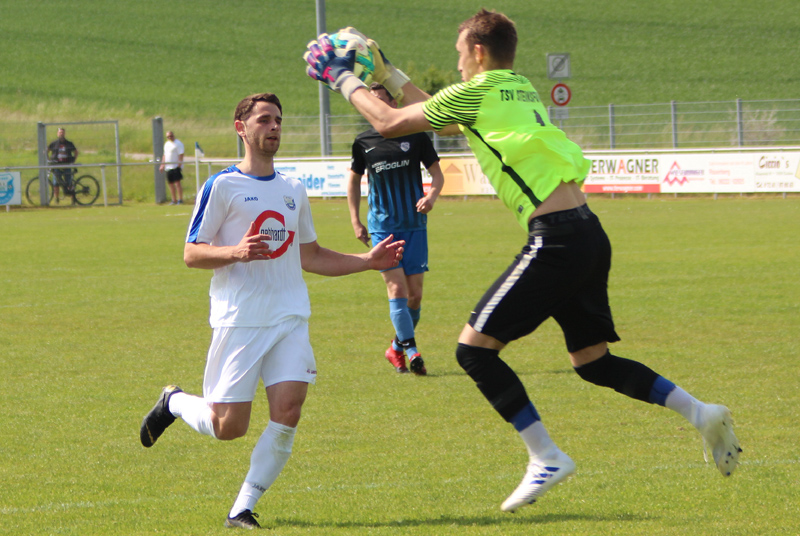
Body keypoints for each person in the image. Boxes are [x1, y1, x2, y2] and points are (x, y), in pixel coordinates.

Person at [305, 10, 741, 512]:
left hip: (556, 239)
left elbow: (388, 121)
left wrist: (341, 76)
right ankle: (701, 413)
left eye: (459, 52)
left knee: (473, 351)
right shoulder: (516, 86)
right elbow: (440, 112)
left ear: (478, 52)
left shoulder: (478, 90)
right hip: (587, 232)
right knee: (593, 362)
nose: (457, 62)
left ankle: (546, 455)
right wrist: (385, 72)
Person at [140, 93, 404, 530]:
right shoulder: (221, 186)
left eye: (278, 120)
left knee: (289, 410)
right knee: (228, 427)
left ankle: (241, 508)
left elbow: (310, 255)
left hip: (289, 316)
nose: (274, 126)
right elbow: (191, 253)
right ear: (241, 128)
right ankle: (174, 402)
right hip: (241, 318)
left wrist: (368, 261)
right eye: (264, 119)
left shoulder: (293, 190)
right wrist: (236, 251)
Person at [347, 82, 444, 375]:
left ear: (393, 103)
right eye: (370, 101)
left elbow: (437, 175)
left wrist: (431, 197)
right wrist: (355, 220)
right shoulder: (363, 142)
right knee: (397, 288)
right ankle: (413, 351)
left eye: (379, 100)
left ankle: (395, 348)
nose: (374, 106)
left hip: (415, 225)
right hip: (383, 227)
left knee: (415, 296)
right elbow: (353, 181)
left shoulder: (416, 135)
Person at [47, 127, 79, 201]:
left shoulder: (69, 143)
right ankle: (56, 198)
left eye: (62, 132)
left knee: (69, 182)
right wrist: (49, 160)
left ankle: (73, 198)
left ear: (64, 134)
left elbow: (76, 152)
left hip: (66, 164)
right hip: (57, 165)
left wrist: (73, 160)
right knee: (56, 182)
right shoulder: (54, 143)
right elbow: (47, 151)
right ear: (57, 134)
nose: (61, 134)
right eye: (60, 132)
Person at [159, 130, 185, 204]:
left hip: (175, 166)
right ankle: (174, 199)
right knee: (170, 183)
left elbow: (181, 154)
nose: (169, 137)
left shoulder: (178, 143)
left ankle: (180, 199)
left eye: (171, 136)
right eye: (168, 137)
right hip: (168, 167)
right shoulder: (166, 144)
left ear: (173, 135)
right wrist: (162, 165)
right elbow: (164, 155)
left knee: (177, 183)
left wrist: (179, 164)